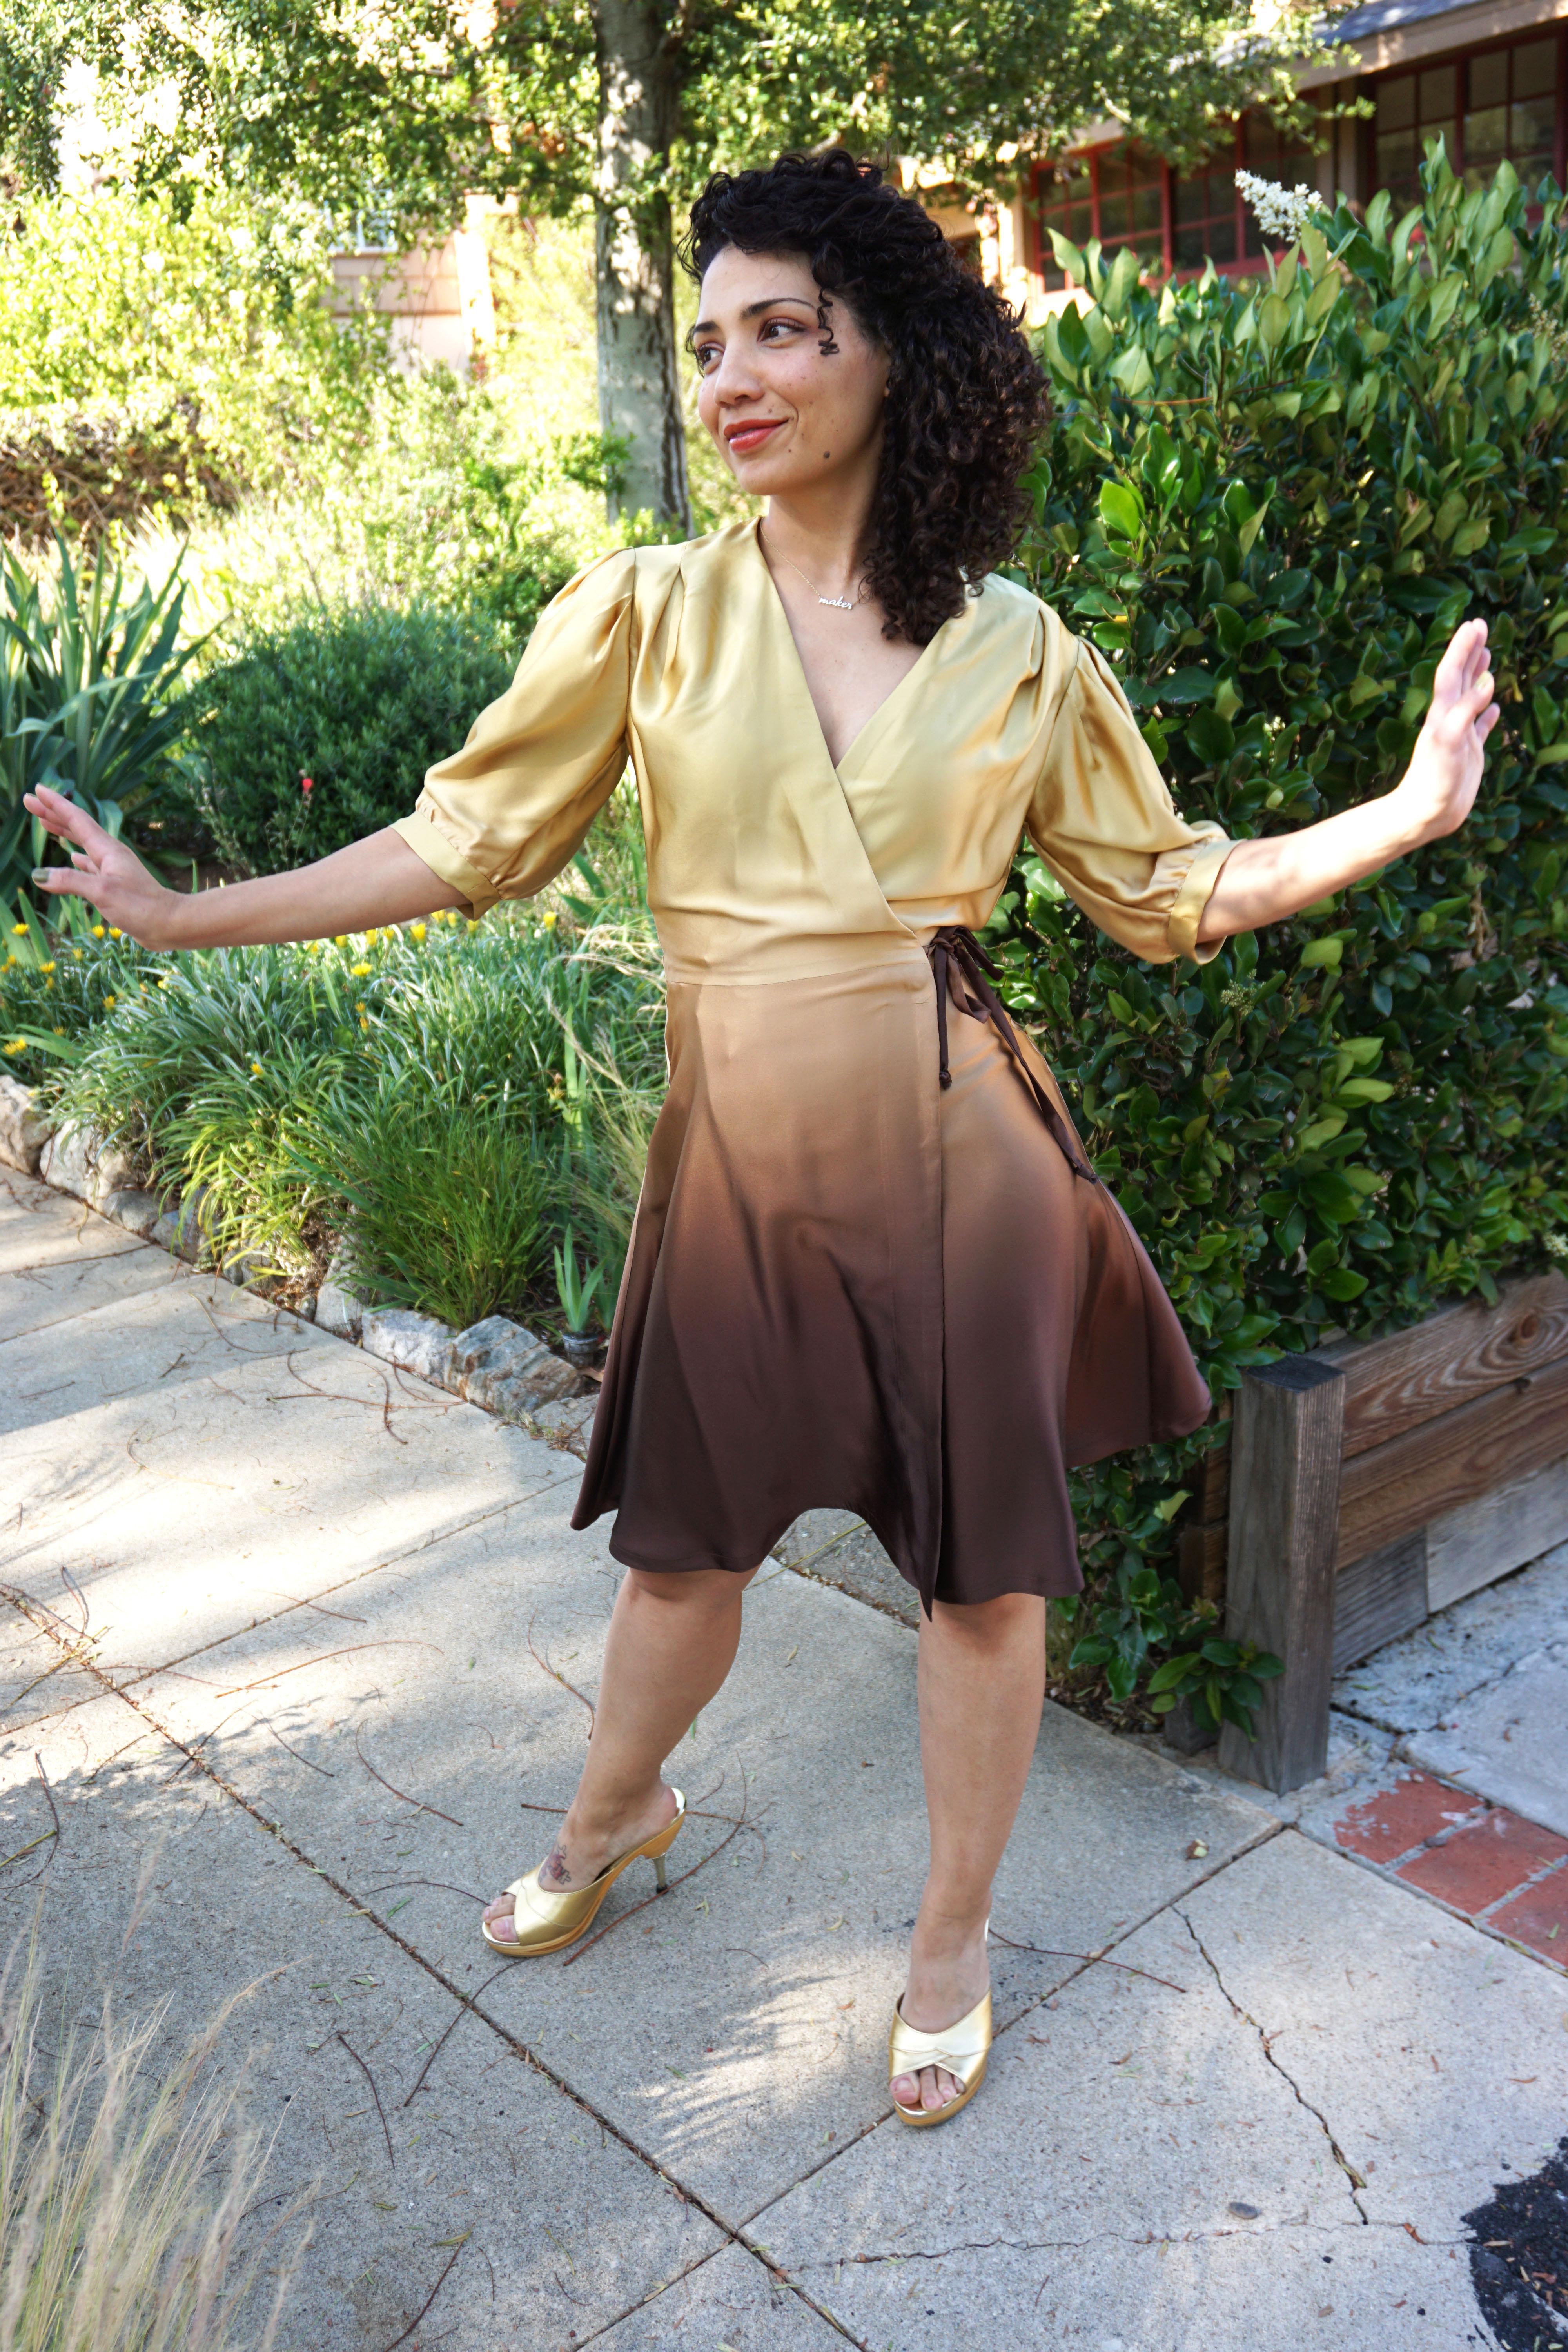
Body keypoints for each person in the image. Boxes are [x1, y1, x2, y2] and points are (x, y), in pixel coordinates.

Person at [25, 150, 1497, 2129]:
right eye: (709, 341)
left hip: (960, 1160)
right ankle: (613, 1813)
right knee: (681, 1555)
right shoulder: (646, 613)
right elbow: (463, 842)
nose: (731, 376)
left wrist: (1403, 812)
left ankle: (951, 1942)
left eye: (781, 332)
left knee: (982, 1582)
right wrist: (185, 913)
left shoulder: (1018, 650)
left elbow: (1170, 892)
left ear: (890, 358)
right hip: (736, 1171)